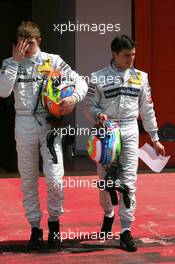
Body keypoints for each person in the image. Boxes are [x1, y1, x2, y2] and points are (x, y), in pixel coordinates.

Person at [0, 21, 88, 249]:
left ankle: (55, 224)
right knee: (28, 179)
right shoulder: (10, 64)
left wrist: (74, 98)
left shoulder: (54, 60)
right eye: (21, 43)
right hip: (24, 123)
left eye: (29, 43)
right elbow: (2, 92)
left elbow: (80, 81)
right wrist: (15, 63)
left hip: (50, 125)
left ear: (38, 41)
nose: (26, 47)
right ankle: (35, 229)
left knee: (55, 178)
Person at [84, 35, 165, 252]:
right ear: (114, 54)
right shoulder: (97, 78)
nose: (131, 60)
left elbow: (147, 110)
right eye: (126, 56)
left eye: (133, 55)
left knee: (129, 182)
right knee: (105, 183)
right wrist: (98, 114)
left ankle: (126, 231)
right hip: (106, 132)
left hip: (130, 130)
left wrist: (155, 138)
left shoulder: (141, 77)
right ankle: (109, 215)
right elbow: (88, 106)